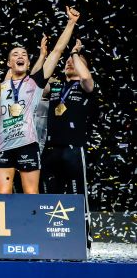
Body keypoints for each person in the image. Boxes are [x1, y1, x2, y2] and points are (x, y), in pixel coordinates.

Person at [0, 6, 80, 194]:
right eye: (15, 54)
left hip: (27, 144)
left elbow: (57, 51)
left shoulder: (35, 83)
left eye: (24, 54)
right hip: (2, 145)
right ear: (8, 63)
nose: (20, 56)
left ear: (28, 63)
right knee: (3, 194)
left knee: (31, 193)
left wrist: (71, 23)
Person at [41, 39, 95, 198]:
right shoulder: (56, 86)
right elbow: (38, 82)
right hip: (51, 149)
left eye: (75, 61)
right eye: (67, 61)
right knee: (49, 197)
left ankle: (82, 218)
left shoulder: (86, 87)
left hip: (74, 148)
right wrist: (44, 56)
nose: (69, 62)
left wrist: (74, 53)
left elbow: (86, 77)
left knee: (76, 196)